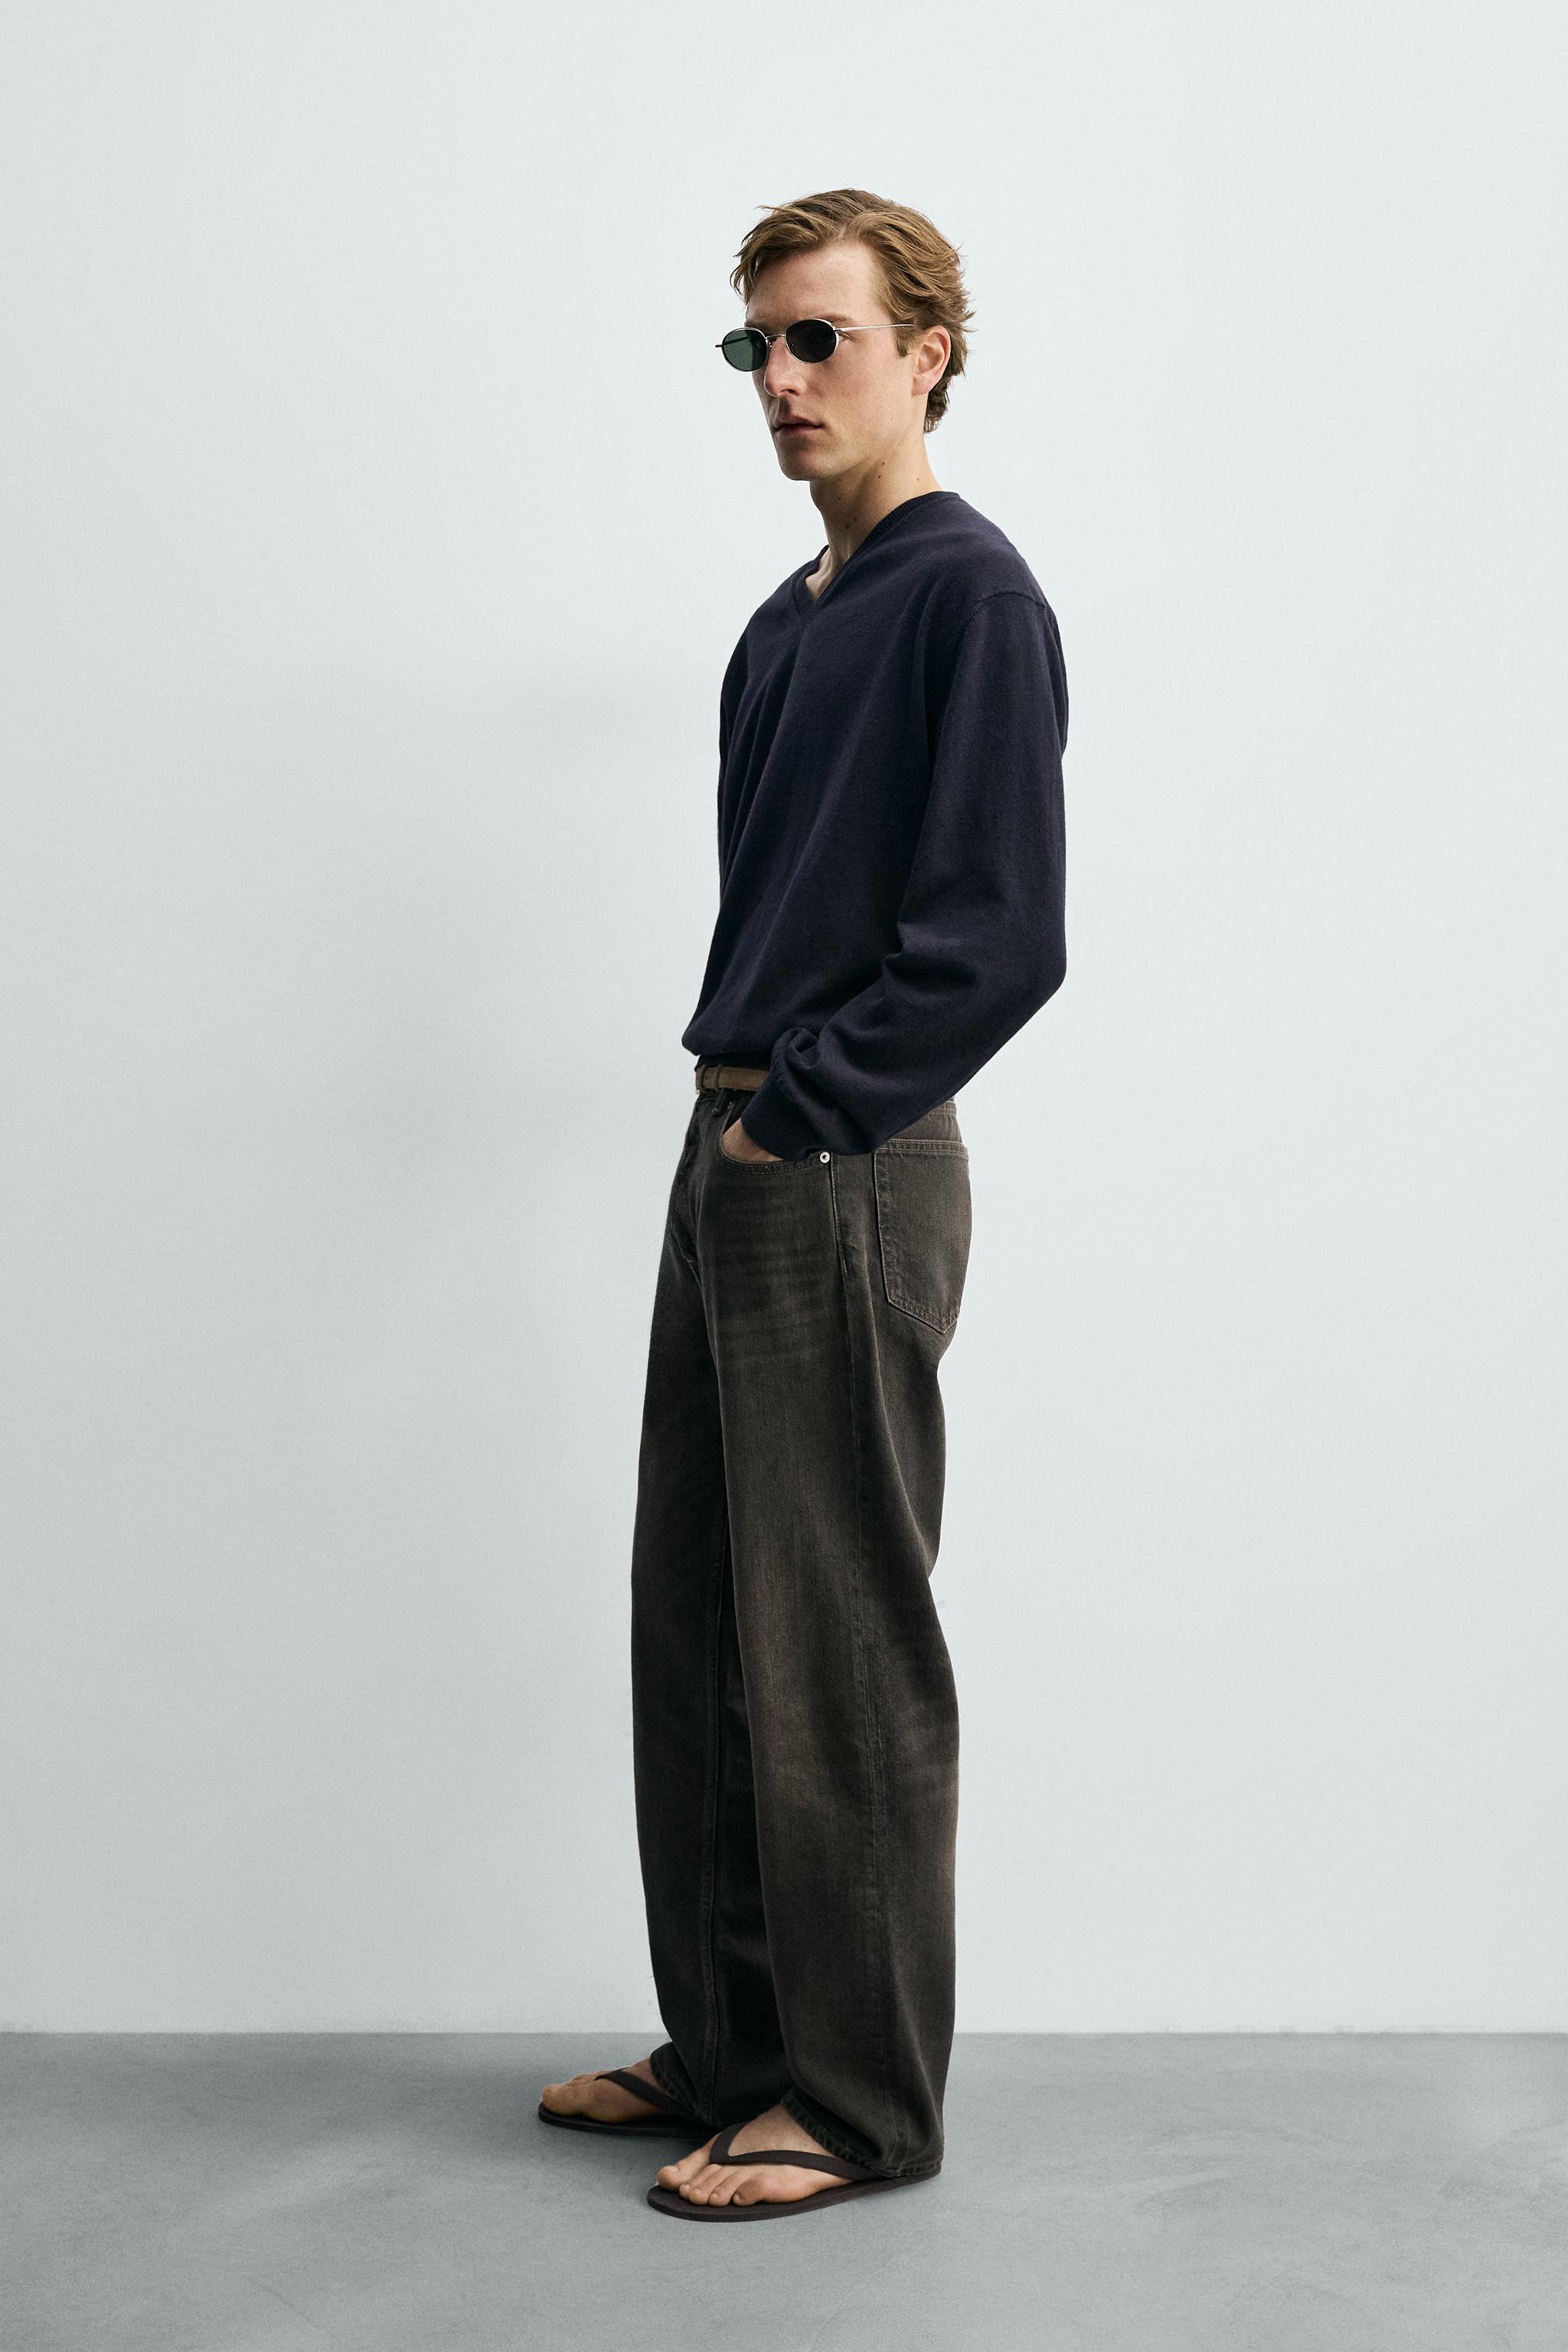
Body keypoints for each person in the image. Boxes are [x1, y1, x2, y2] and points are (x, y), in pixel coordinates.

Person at [540, 187, 1069, 2222]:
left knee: (837, 1638)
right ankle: (736, 2044)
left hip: (840, 1155)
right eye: (754, 345)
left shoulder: (971, 598)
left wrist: (805, 1118)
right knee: (700, 1623)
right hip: (735, 1142)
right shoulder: (787, 622)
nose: (779, 378)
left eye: (818, 338)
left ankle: (857, 2104)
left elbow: (999, 936)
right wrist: (734, 1132)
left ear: (926, 351)